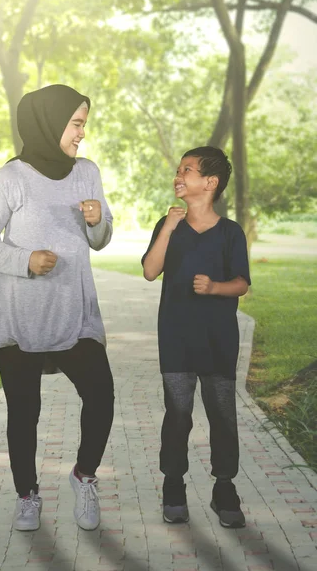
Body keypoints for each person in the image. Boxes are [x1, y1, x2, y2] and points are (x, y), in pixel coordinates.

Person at [0, 84, 114, 532]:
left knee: (102, 396)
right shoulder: (9, 178)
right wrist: (26, 261)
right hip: (21, 317)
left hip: (76, 312)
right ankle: (26, 495)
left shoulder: (87, 172)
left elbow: (101, 239)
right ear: (50, 123)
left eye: (84, 124)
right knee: (24, 412)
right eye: (75, 124)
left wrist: (98, 222)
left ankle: (83, 476)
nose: (81, 134)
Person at [142, 146, 250, 529]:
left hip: (219, 341)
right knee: (178, 414)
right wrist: (169, 227)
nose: (178, 175)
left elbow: (241, 283)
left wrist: (215, 287)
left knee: (222, 414)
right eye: (178, 169)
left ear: (210, 182)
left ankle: (224, 488)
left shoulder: (230, 233)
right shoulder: (167, 224)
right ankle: (173, 484)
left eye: (186, 170)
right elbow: (150, 271)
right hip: (176, 339)